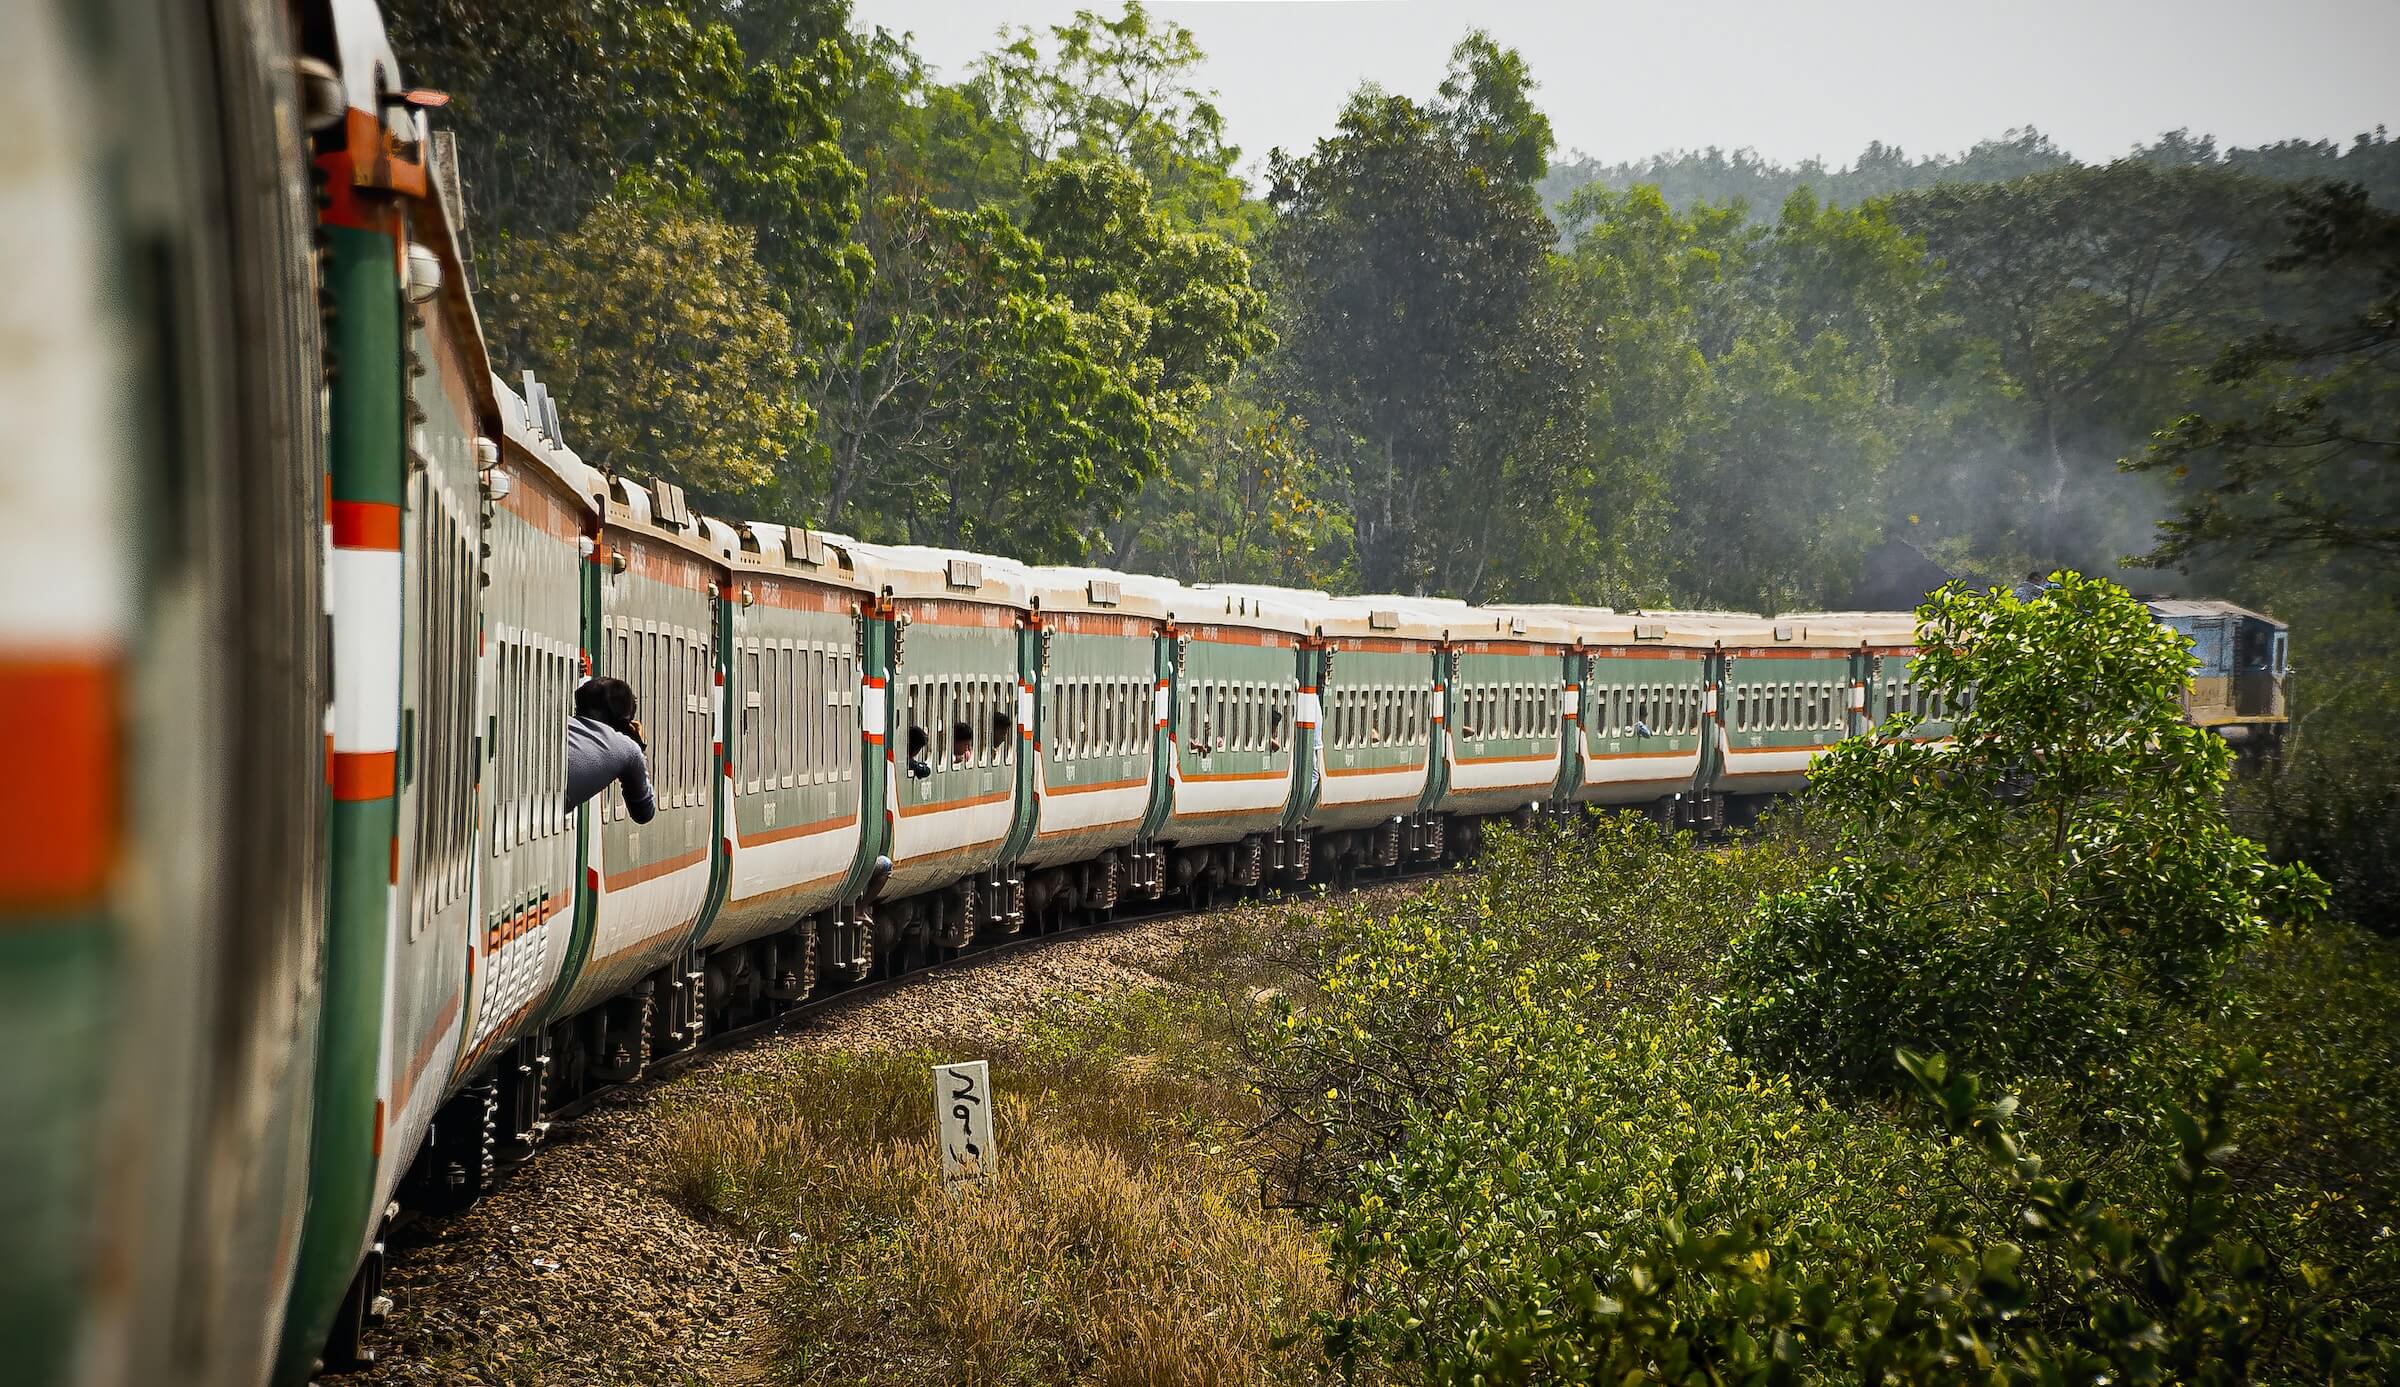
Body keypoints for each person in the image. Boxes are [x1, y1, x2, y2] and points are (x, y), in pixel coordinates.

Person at [565, 676, 655, 822]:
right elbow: (644, 813)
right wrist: (639, 746)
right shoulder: (629, 750)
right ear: (626, 723)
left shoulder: (561, 723)